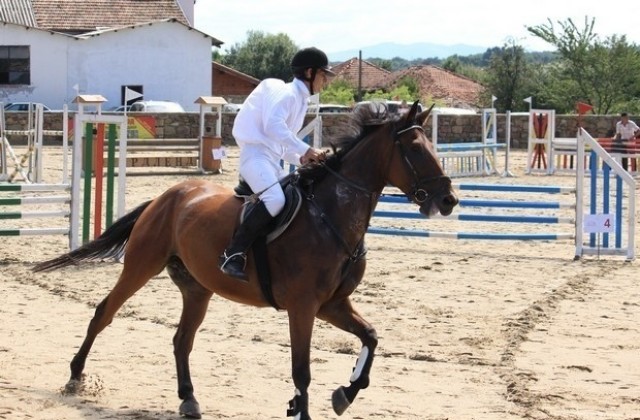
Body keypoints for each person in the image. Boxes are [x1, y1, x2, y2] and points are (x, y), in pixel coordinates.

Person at [218, 47, 334, 281]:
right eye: (324, 75)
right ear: (309, 73)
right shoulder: (289, 94)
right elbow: (274, 127)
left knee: (297, 196)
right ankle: (234, 253)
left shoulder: (300, 101)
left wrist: (302, 158)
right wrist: (307, 149)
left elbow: (282, 145)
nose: (326, 82)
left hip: (271, 160)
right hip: (255, 157)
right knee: (276, 199)